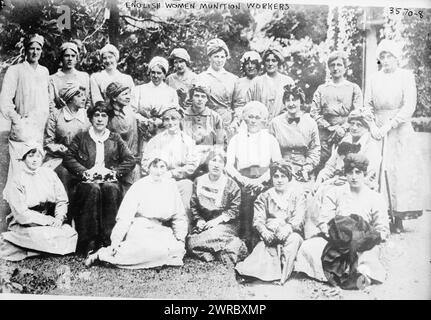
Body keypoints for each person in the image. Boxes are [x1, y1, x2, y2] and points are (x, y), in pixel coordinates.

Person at [294, 154, 390, 286]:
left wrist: (369, 238)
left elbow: (382, 227)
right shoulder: (335, 192)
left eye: (358, 172)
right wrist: (334, 235)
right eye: (350, 172)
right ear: (345, 174)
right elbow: (324, 219)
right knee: (308, 247)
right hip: (337, 239)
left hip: (363, 242)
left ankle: (359, 274)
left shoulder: (375, 197)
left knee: (367, 257)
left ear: (365, 174)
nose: (354, 176)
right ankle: (330, 273)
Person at [84, 158, 188, 269]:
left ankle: (152, 260)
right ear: (148, 169)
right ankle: (101, 254)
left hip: (160, 229)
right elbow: (125, 216)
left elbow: (179, 216)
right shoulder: (139, 186)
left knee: (175, 250)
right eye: (155, 167)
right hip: (140, 227)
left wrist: (180, 239)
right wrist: (116, 240)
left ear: (166, 169)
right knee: (150, 250)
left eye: (162, 167)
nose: (158, 171)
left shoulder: (171, 186)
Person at [364, 39, 423, 233]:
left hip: (399, 129)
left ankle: (398, 218)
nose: (386, 60)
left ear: (396, 57)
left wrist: (390, 124)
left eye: (389, 56)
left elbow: (409, 106)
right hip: (379, 129)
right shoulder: (373, 78)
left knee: (398, 172)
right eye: (382, 56)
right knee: (377, 168)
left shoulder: (406, 76)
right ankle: (379, 217)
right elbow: (367, 106)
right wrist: (372, 126)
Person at [63, 103, 135, 255]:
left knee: (110, 187)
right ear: (90, 118)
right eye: (96, 115)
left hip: (109, 180)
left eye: (104, 116)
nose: (100, 119)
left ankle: (109, 240)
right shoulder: (81, 137)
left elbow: (130, 160)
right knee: (93, 189)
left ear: (108, 119)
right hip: (86, 182)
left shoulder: (115, 138)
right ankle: (88, 241)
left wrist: (114, 172)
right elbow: (68, 158)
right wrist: (85, 172)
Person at [0, 142, 77, 261]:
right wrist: (47, 221)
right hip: (26, 223)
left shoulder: (49, 174)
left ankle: (32, 249)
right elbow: (21, 214)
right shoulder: (17, 180)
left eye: (38, 156)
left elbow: (62, 199)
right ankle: (24, 245)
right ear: (24, 158)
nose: (35, 160)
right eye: (30, 156)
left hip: (49, 220)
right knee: (37, 236)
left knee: (69, 234)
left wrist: (59, 218)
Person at [235, 161, 305, 285]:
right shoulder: (264, 196)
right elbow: (258, 219)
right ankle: (262, 273)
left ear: (289, 178)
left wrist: (288, 228)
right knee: (264, 249)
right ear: (272, 178)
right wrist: (264, 231)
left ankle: (283, 276)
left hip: (290, 233)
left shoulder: (297, 195)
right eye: (276, 176)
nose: (279, 180)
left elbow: (298, 217)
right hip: (270, 233)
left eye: (283, 176)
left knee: (293, 241)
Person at [226, 101, 282, 249]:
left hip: (265, 179)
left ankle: (260, 235)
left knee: (262, 198)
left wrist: (262, 180)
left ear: (263, 120)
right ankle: (245, 237)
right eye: (250, 116)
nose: (253, 120)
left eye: (257, 117)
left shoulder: (270, 140)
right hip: (242, 179)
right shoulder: (236, 139)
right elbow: (229, 165)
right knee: (245, 198)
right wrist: (241, 179)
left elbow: (277, 164)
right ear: (244, 118)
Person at [0, 34, 50, 198]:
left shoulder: (44, 71)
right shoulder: (15, 70)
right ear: (25, 50)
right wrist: (16, 120)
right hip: (22, 130)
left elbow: (46, 100)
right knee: (19, 171)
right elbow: (5, 100)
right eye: (32, 48)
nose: (35, 52)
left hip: (38, 130)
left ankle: (33, 209)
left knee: (35, 170)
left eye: (38, 49)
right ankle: (15, 213)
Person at [141, 107, 200, 228]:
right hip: (158, 180)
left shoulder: (188, 141)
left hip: (179, 181)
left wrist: (173, 173)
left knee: (187, 185)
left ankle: (184, 232)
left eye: (174, 119)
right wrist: (158, 173)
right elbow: (145, 162)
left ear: (180, 120)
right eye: (167, 119)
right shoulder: (155, 140)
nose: (170, 122)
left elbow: (192, 165)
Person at [187, 151, 247, 264]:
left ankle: (228, 246)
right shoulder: (199, 181)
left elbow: (234, 210)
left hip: (226, 224)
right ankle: (221, 250)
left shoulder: (231, 185)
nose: (216, 164)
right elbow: (194, 204)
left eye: (220, 162)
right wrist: (199, 220)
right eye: (213, 160)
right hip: (205, 223)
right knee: (190, 242)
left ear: (224, 166)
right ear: (208, 163)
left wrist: (217, 221)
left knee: (208, 237)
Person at [311, 51, 363, 171]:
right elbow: (314, 113)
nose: (336, 68)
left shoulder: (354, 88)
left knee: (347, 165)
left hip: (349, 132)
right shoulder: (322, 89)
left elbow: (358, 112)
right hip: (325, 134)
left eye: (339, 65)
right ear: (328, 68)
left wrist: (343, 128)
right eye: (332, 65)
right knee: (324, 166)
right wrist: (330, 127)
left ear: (345, 68)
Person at [44, 82, 91, 198]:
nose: (84, 98)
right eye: (79, 96)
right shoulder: (55, 115)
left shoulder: (87, 116)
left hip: (83, 158)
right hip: (60, 158)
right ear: (69, 98)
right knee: (64, 173)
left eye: (84, 95)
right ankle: (63, 209)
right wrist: (57, 147)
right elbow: (48, 142)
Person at [269, 84, 320, 184]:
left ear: (301, 101)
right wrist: (280, 167)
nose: (291, 103)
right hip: (280, 168)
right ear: (284, 102)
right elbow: (270, 150)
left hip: (304, 167)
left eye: (295, 99)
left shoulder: (310, 123)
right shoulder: (275, 123)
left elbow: (315, 150)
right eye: (288, 100)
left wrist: (306, 168)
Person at [105, 82, 146, 187]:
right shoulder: (110, 119)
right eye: (124, 94)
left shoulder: (128, 113)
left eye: (129, 94)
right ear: (114, 98)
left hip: (132, 160)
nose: (128, 97)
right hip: (119, 163)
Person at [197, 38, 238, 138]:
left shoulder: (233, 78)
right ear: (209, 58)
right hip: (207, 122)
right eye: (216, 57)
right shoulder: (200, 78)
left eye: (222, 57)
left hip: (229, 123)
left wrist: (235, 122)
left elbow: (238, 103)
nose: (220, 60)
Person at [246, 47, 295, 121]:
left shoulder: (288, 81)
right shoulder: (256, 82)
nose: (270, 64)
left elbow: (293, 105)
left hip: (282, 124)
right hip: (260, 125)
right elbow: (248, 106)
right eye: (267, 60)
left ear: (278, 62)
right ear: (264, 62)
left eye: (274, 61)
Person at [183, 83, 224, 169]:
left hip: (209, 159)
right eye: (197, 96)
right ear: (191, 98)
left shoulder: (215, 117)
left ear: (207, 99)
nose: (200, 99)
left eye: (203, 96)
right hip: (187, 158)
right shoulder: (184, 116)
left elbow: (220, 142)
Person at [132, 56, 179, 125]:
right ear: (149, 73)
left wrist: (161, 121)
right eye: (153, 72)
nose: (155, 76)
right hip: (142, 127)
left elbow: (174, 113)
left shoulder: (171, 92)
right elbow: (132, 111)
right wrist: (145, 121)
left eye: (159, 73)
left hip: (164, 128)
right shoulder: (139, 90)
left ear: (164, 75)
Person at [49, 41, 91, 111]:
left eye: (73, 56)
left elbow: (88, 101)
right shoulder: (53, 79)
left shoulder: (84, 77)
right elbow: (51, 104)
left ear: (77, 58)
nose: (70, 59)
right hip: (60, 118)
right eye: (66, 55)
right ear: (61, 58)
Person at [232, 51, 262, 129]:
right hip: (240, 120)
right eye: (247, 64)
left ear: (258, 65)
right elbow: (235, 104)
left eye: (253, 63)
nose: (250, 66)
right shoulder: (238, 82)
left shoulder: (263, 81)